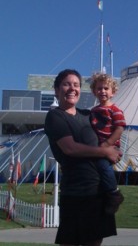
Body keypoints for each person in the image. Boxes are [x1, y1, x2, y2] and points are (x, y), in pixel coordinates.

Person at [44, 69, 122, 246]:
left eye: (76, 85)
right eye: (66, 84)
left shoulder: (89, 115)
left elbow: (111, 130)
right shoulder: (55, 116)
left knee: (94, 242)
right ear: (57, 90)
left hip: (98, 192)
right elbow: (70, 148)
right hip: (76, 192)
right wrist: (105, 152)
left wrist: (114, 149)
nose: (72, 88)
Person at [90, 73, 126, 214]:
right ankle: (103, 194)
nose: (102, 91)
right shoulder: (93, 111)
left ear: (113, 92)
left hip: (109, 146)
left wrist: (107, 144)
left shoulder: (115, 110)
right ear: (94, 91)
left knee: (103, 166)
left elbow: (119, 128)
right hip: (96, 147)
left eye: (106, 88)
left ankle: (114, 193)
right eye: (99, 88)